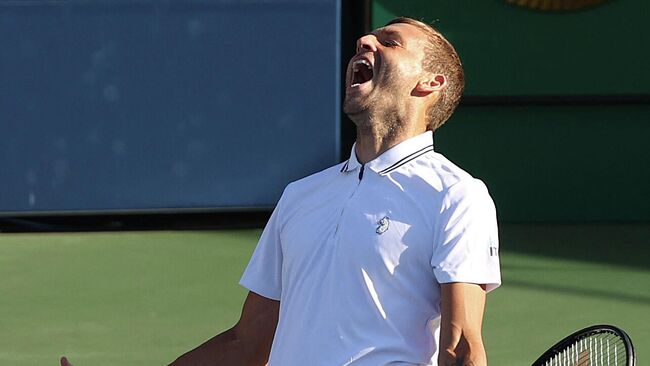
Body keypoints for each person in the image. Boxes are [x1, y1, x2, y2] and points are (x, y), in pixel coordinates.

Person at [61, 16, 500, 366]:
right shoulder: (300, 196)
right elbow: (247, 343)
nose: (365, 40)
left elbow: (460, 348)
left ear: (430, 83)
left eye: (390, 41)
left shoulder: (457, 196)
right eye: (367, 40)